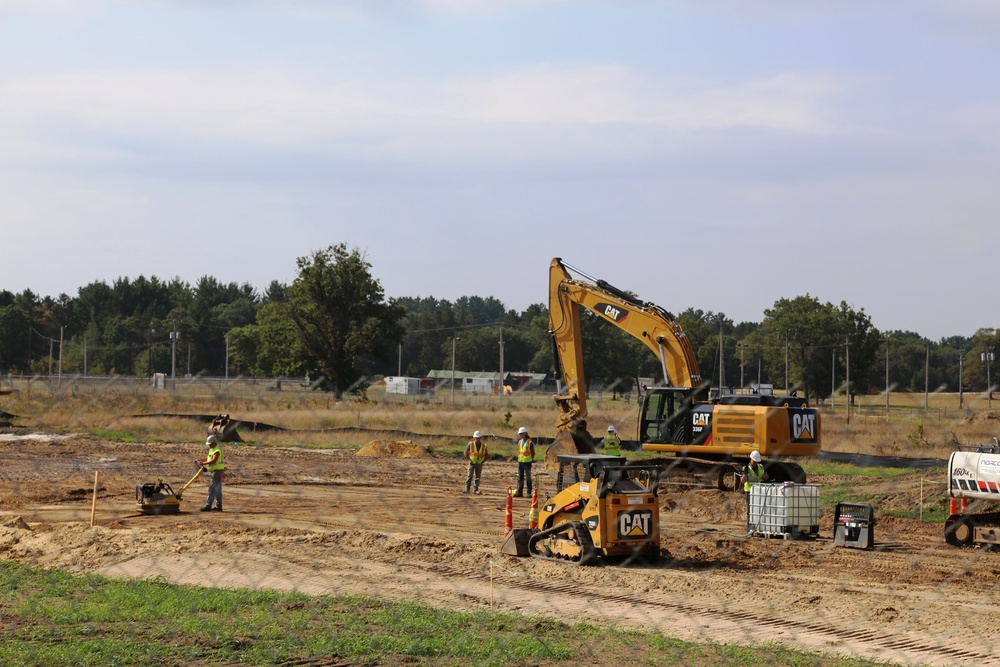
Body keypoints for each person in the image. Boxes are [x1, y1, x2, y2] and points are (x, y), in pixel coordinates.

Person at [196, 434, 226, 512]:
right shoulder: (212, 449)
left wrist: (203, 464)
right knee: (217, 490)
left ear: (214, 442)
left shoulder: (217, 450)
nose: (209, 446)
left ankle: (208, 506)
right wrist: (200, 460)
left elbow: (213, 460)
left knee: (212, 489)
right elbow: (209, 458)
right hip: (216, 471)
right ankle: (219, 506)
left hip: (217, 471)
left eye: (210, 444)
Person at [740, 449, 768, 532]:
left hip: (759, 491)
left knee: (759, 509)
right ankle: (749, 527)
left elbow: (765, 477)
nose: (755, 463)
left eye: (757, 461)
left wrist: (765, 476)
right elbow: (743, 481)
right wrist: (745, 473)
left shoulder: (761, 467)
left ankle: (759, 526)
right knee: (750, 510)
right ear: (751, 459)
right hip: (749, 491)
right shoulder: (746, 468)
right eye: (754, 461)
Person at [463, 430, 488, 495]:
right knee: (469, 476)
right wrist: (469, 459)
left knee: (477, 477)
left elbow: (486, 454)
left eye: (478, 438)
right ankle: (467, 490)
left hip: (479, 463)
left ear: (480, 438)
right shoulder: (470, 444)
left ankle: (475, 490)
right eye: (476, 438)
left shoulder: (483, 446)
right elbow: (465, 452)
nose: (477, 439)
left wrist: (483, 461)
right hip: (472, 463)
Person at [513, 426, 534, 498]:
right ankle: (520, 492)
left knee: (528, 478)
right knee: (520, 478)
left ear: (524, 434)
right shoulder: (520, 442)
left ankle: (529, 492)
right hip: (521, 462)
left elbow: (532, 452)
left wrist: (531, 458)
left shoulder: (529, 442)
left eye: (521, 434)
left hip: (527, 462)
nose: (520, 435)